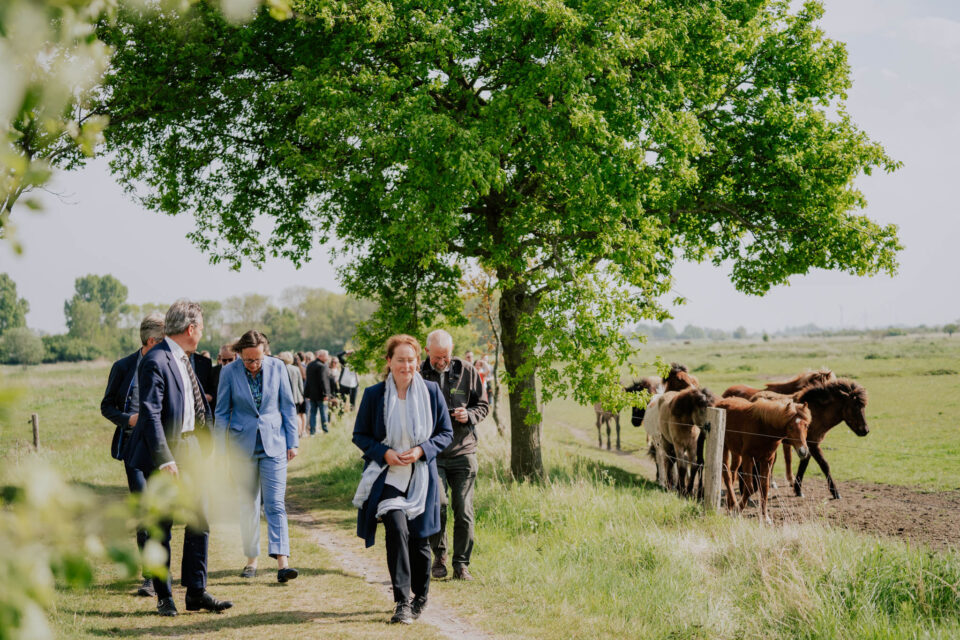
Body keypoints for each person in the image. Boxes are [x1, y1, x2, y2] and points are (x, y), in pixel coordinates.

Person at [123, 300, 233, 617]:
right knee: (162, 527)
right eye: (201, 327)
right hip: (166, 454)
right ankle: (164, 596)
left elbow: (199, 407)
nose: (202, 333)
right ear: (191, 329)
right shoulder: (156, 360)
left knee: (200, 519)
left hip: (192, 451)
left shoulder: (187, 359)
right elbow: (151, 415)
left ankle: (196, 593)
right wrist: (164, 458)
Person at [352, 335, 453, 624]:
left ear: (417, 362)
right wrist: (384, 454)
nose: (406, 365)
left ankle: (420, 596)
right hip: (389, 477)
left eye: (411, 360)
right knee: (396, 529)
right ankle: (401, 601)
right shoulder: (373, 395)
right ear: (389, 362)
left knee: (421, 539)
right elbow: (360, 435)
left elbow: (445, 433)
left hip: (422, 477)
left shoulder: (432, 392)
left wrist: (422, 449)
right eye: (400, 360)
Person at [214, 331, 300, 583]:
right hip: (242, 446)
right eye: (248, 360)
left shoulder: (278, 368)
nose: (253, 365)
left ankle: (283, 562)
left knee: (275, 503)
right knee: (248, 504)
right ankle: (251, 560)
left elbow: (287, 407)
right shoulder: (229, 373)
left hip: (274, 444)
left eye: (258, 359)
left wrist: (292, 441)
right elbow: (221, 413)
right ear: (239, 354)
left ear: (265, 352)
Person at [100, 312, 165, 598]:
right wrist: (129, 419)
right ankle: (149, 577)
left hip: (165, 449)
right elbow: (107, 406)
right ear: (151, 340)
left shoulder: (171, 364)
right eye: (164, 340)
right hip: (133, 448)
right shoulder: (124, 367)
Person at [420, 329, 488, 581]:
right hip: (433, 451)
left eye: (446, 356)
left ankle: (461, 564)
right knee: (438, 504)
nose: (441, 362)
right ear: (427, 352)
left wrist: (468, 415)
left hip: (464, 449)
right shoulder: (418, 373)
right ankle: (439, 556)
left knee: (464, 509)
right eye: (437, 357)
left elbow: (483, 405)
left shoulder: (467, 370)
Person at [304, 349, 334, 434]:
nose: (328, 357)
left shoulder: (310, 365)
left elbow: (308, 381)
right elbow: (323, 381)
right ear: (320, 356)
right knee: (323, 412)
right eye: (326, 355)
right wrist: (326, 394)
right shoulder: (322, 366)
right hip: (321, 394)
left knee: (313, 413)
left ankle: (312, 431)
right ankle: (325, 429)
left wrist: (307, 393)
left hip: (312, 394)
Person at [208, 343, 236, 413]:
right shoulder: (213, 372)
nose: (227, 363)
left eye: (230, 360)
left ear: (235, 356)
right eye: (224, 360)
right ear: (220, 358)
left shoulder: (241, 371)